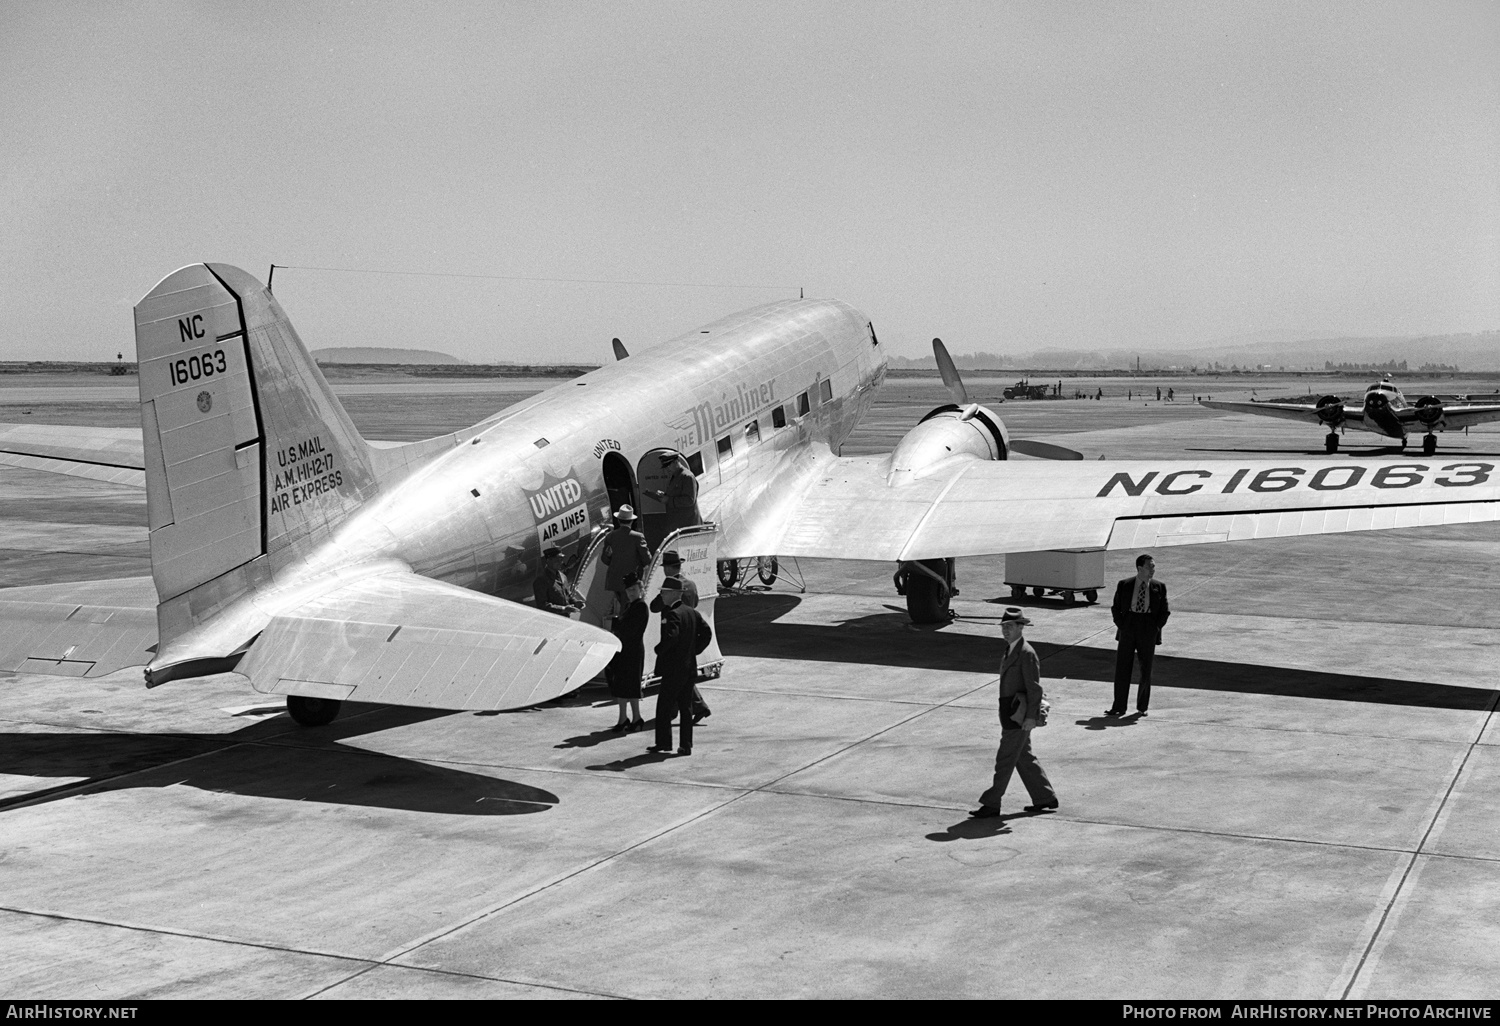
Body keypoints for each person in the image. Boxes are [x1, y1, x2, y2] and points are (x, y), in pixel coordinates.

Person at [970, 608, 1057, 818]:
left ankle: (992, 803)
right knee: (1023, 757)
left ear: (1021, 627)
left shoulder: (1026, 653)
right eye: (1003, 627)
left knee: (1005, 759)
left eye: (1009, 627)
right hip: (1010, 712)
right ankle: (1045, 797)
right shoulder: (1011, 649)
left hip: (1019, 714)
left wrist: (1030, 718)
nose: (1005, 631)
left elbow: (1034, 688)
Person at [647, 577, 711, 756]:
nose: (662, 595)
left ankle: (663, 743)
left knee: (664, 707)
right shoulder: (691, 612)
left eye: (664, 592)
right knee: (686, 708)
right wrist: (693, 651)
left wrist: (660, 649)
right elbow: (706, 633)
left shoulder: (672, 614)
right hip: (689, 667)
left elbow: (672, 637)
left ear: (675, 594)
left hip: (674, 669)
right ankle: (686, 745)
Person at [650, 550, 711, 723]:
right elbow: (696, 603)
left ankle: (679, 710)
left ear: (668, 568)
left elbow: (654, 607)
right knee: (682, 677)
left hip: (673, 635)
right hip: (689, 634)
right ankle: (694, 707)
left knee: (674, 676)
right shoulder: (691, 584)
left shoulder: (670, 586)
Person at [1107, 553, 1170, 716]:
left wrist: (1155, 628)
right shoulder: (1125, 584)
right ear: (1140, 568)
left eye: (1154, 566)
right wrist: (1122, 625)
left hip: (1148, 626)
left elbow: (1165, 611)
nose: (1153, 569)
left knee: (1146, 669)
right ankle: (1119, 706)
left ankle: (1142, 707)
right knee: (1122, 668)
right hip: (1129, 626)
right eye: (1150, 566)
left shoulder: (1159, 586)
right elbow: (1116, 607)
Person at [605, 573, 647, 733]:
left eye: (634, 589)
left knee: (630, 686)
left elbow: (629, 630)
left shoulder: (640, 606)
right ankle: (626, 718)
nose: (630, 593)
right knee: (623, 685)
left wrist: (617, 626)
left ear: (640, 589)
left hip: (632, 650)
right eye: (628, 590)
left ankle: (633, 718)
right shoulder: (632, 606)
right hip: (627, 650)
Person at [601, 505, 651, 612]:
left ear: (619, 520)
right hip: (631, 580)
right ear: (631, 521)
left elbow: (605, 560)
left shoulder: (610, 536)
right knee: (629, 607)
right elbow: (647, 559)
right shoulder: (638, 537)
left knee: (623, 606)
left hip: (614, 580)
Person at [651, 454, 701, 537]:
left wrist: (668, 500)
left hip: (688, 525)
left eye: (669, 466)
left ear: (676, 462)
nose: (667, 469)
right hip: (679, 524)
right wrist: (664, 495)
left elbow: (689, 500)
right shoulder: (676, 476)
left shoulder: (687, 477)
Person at [532, 546, 584, 617]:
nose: (561, 562)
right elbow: (542, 605)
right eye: (557, 560)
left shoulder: (563, 577)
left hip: (565, 619)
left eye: (561, 559)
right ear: (548, 560)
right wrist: (563, 609)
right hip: (552, 621)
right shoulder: (541, 580)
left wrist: (575, 602)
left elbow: (568, 595)